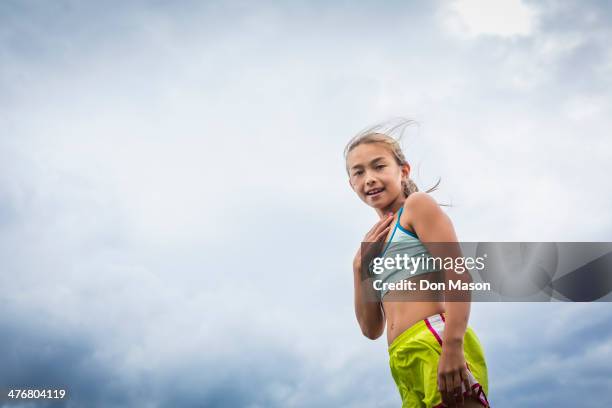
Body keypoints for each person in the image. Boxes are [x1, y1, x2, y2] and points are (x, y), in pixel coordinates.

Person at [346, 124, 490, 408]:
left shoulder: (417, 207)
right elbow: (371, 328)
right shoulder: (373, 245)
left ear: (403, 170)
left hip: (436, 340)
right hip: (400, 359)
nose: (370, 179)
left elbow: (458, 274)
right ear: (351, 183)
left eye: (379, 166)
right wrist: (359, 267)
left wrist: (452, 346)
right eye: (359, 172)